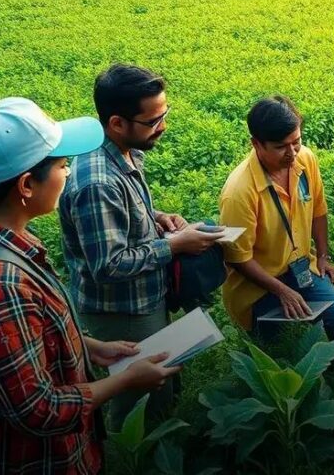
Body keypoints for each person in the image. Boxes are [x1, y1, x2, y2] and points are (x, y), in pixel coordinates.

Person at [0, 98, 179, 474]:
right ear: (26, 185)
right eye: (61, 165)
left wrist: (88, 347)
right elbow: (39, 411)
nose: (70, 172)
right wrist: (126, 380)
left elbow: (11, 343)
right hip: (27, 460)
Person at [58, 64, 223, 430]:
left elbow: (122, 220)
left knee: (161, 387)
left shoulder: (123, 152)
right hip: (122, 311)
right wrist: (175, 246)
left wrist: (156, 216)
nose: (161, 126)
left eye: (164, 114)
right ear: (117, 122)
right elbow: (109, 264)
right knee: (140, 408)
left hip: (143, 298)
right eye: (152, 120)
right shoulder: (97, 181)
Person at [218, 96, 334, 341]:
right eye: (281, 147)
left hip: (300, 267)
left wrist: (322, 256)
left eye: (297, 142)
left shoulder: (306, 160)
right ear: (257, 144)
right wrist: (282, 291)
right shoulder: (239, 192)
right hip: (257, 283)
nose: (291, 153)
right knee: (280, 346)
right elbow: (239, 258)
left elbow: (319, 210)